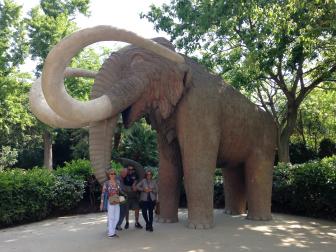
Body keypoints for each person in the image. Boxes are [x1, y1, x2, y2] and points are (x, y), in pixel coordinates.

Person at [100, 169, 121, 238]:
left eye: (114, 174)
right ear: (109, 175)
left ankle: (111, 230)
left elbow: (119, 192)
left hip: (117, 201)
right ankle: (111, 233)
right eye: (111, 174)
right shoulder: (106, 183)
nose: (113, 175)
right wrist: (102, 203)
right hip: (110, 201)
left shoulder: (118, 182)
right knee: (111, 217)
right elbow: (103, 193)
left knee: (117, 217)